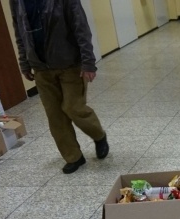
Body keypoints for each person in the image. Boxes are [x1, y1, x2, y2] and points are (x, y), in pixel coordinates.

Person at [10, 0, 109, 174]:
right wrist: (24, 63)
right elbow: (20, 31)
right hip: (41, 68)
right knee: (55, 116)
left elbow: (81, 27)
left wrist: (88, 63)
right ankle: (74, 157)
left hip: (70, 64)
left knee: (73, 107)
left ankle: (98, 135)